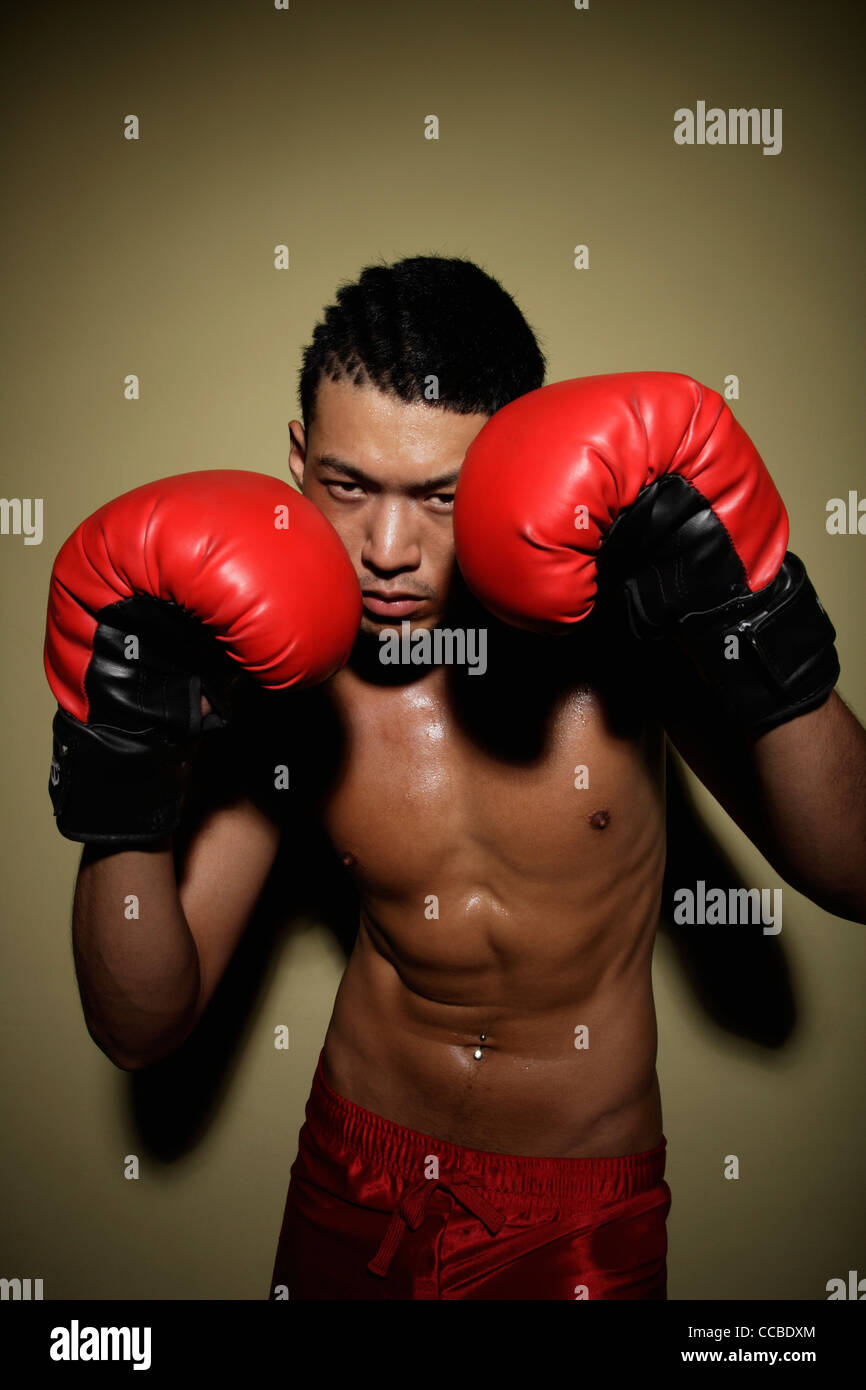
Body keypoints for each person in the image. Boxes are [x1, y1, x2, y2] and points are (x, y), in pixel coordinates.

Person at [44, 256, 866, 1301]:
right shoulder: (269, 674)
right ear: (297, 459)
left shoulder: (627, 624)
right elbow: (140, 1027)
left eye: (440, 495)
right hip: (351, 1166)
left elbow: (855, 872)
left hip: (573, 1208)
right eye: (347, 487)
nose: (388, 548)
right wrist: (119, 760)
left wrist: (752, 619)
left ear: (517, 468)